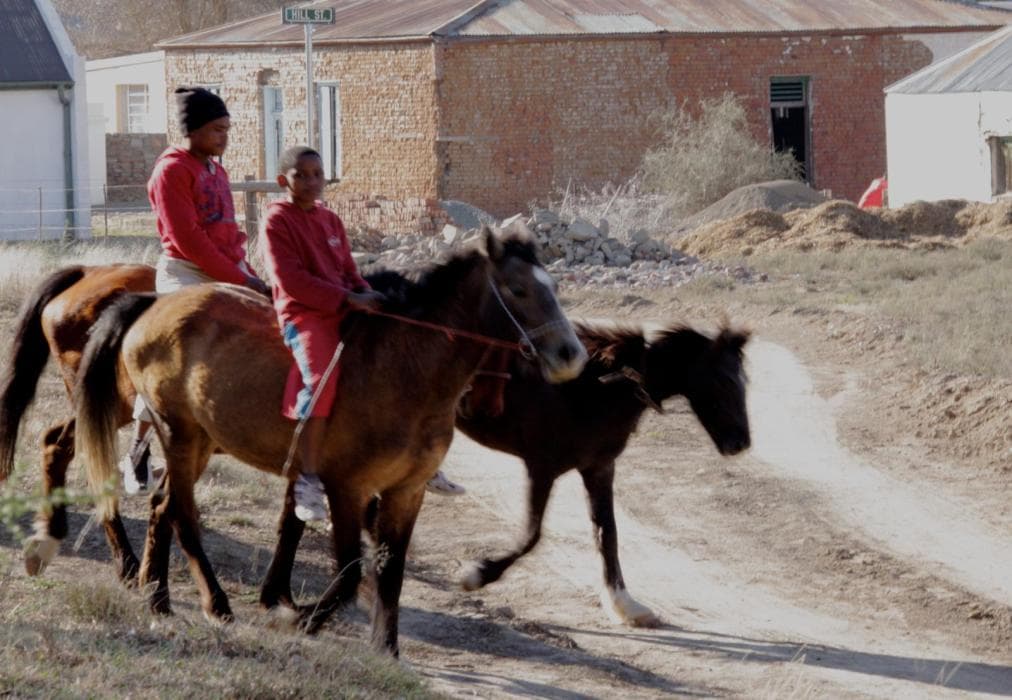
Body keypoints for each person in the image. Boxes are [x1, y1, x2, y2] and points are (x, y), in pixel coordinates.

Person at [119, 86, 270, 493]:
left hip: (227, 267)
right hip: (185, 270)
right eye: (217, 129)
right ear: (194, 130)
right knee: (168, 356)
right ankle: (137, 450)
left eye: (227, 129)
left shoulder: (216, 170)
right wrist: (238, 280)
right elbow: (189, 239)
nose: (225, 137)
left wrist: (248, 272)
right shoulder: (171, 171)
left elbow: (227, 235)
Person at [259, 146, 385, 521]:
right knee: (322, 378)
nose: (313, 181)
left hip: (345, 305)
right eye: (303, 175)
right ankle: (308, 478)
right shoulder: (276, 220)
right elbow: (292, 281)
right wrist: (346, 297)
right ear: (284, 181)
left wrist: (364, 292)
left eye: (318, 173)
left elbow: (347, 268)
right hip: (305, 314)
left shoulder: (331, 220)